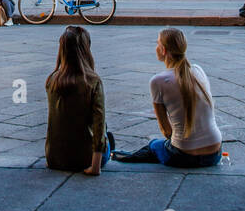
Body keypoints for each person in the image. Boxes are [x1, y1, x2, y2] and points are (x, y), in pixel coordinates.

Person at [113, 28, 222, 168]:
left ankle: (119, 155)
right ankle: (122, 155)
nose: (156, 47)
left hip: (184, 156)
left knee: (154, 145)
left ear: (163, 50)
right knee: (159, 146)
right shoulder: (198, 70)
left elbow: (166, 130)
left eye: (157, 44)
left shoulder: (158, 81)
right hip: (214, 154)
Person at [45, 26, 111, 175]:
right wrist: (95, 167)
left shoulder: (52, 80)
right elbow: (98, 125)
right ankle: (99, 158)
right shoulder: (92, 81)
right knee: (106, 132)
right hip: (84, 159)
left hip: (55, 158)